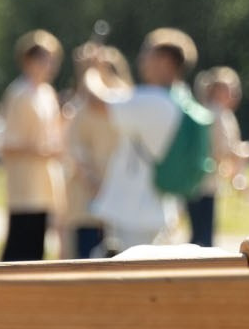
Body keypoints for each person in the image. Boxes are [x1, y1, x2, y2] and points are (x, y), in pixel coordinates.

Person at [79, 28, 205, 254]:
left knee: (126, 282)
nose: (141, 60)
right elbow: (124, 98)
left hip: (134, 213)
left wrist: (89, 70)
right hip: (150, 211)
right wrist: (102, 71)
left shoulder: (152, 101)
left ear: (165, 61)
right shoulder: (174, 98)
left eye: (148, 53)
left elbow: (97, 101)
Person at [0, 30, 66, 261]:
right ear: (28, 60)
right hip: (24, 184)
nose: (49, 65)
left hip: (44, 183)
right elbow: (9, 144)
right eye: (43, 58)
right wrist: (41, 151)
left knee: (37, 246)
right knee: (20, 246)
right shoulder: (19, 93)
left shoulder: (47, 93)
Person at [65, 45, 123, 258]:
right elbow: (76, 152)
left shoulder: (118, 99)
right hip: (90, 196)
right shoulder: (81, 107)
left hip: (109, 193)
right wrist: (93, 184)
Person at [186, 67, 249, 248]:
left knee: (200, 233)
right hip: (204, 180)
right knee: (203, 237)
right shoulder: (217, 114)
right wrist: (243, 153)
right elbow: (222, 151)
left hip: (202, 179)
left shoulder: (214, 112)